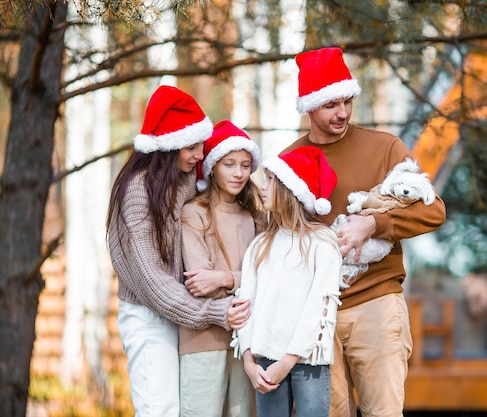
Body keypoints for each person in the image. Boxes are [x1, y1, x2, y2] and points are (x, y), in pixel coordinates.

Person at [282, 47, 447, 417]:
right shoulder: (288, 164)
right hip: (316, 313)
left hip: (376, 302)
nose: (342, 112)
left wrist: (376, 224)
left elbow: (434, 210)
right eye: (330, 105)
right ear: (310, 106)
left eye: (346, 101)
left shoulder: (384, 147)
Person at [106, 85, 244, 417]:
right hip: (149, 316)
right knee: (159, 409)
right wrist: (216, 312)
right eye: (192, 147)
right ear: (169, 148)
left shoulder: (183, 179)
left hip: (182, 312)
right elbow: (154, 284)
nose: (199, 155)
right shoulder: (137, 192)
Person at [232, 146, 344, 417]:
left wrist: (288, 361)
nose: (262, 186)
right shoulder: (260, 245)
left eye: (271, 180)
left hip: (308, 362)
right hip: (265, 361)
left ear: (291, 189)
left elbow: (320, 309)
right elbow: (245, 302)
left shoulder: (322, 244)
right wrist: (248, 360)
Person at [179, 120, 265, 417]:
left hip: (248, 338)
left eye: (245, 165)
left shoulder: (254, 216)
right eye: (229, 164)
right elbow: (199, 283)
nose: (239, 173)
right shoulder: (194, 212)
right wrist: (244, 282)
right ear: (213, 166)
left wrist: (224, 277)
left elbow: (268, 277)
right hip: (203, 338)